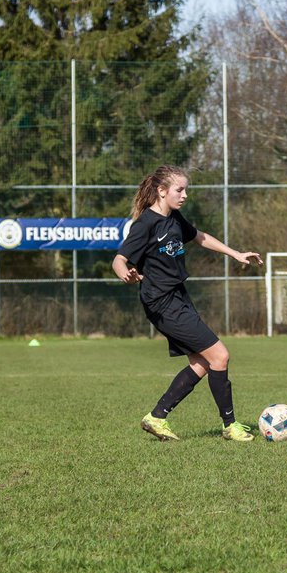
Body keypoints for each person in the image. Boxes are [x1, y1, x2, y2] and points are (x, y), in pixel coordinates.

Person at [113, 165, 262, 442]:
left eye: (186, 190)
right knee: (220, 356)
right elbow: (119, 259)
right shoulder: (145, 224)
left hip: (178, 297)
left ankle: (157, 417)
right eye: (179, 190)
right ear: (161, 191)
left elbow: (200, 237)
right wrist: (125, 273)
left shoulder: (175, 219)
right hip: (161, 301)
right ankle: (230, 426)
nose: (184, 195)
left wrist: (235, 254)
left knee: (203, 363)